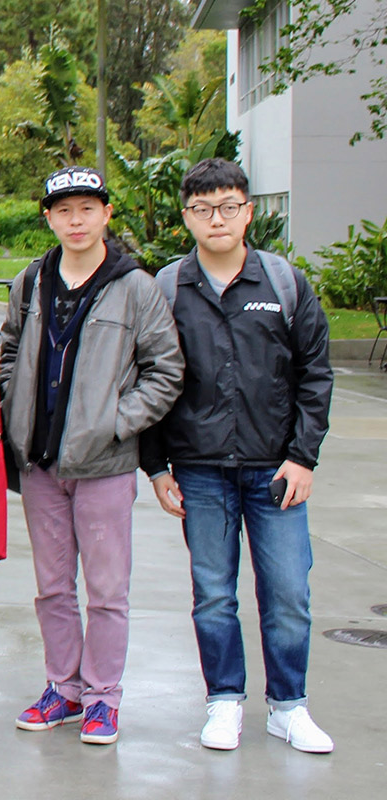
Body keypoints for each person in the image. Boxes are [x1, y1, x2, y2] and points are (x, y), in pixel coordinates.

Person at [144, 158, 335, 754]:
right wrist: (156, 465)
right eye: (203, 210)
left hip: (276, 470)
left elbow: (315, 375)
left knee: (286, 594)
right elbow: (146, 377)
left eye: (228, 207)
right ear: (187, 218)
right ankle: (223, 701)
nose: (217, 219)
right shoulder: (168, 287)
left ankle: (289, 706)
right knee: (214, 595)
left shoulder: (284, 284)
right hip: (200, 473)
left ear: (249, 211)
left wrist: (303, 457)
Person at [0, 165, 183, 745]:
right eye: (63, 210)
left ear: (107, 213)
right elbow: (8, 353)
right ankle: (64, 688)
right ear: (48, 218)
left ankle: (104, 697)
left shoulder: (136, 287)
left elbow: (165, 370)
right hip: (42, 466)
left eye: (87, 209)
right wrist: (14, 409)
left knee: (107, 591)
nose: (75, 221)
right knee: (52, 587)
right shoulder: (31, 282)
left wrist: (113, 425)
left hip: (103, 466)